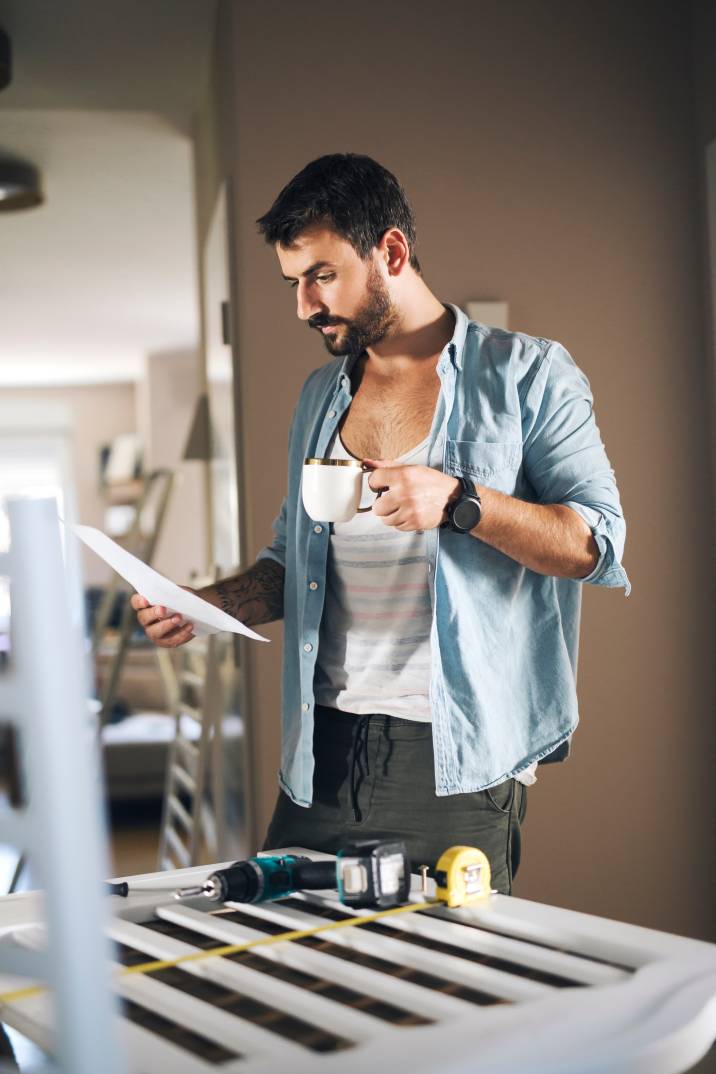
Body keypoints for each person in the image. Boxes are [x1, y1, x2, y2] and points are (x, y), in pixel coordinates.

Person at [132, 153, 629, 895]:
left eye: (321, 276)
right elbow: (290, 558)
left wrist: (463, 502)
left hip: (452, 762)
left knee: (439, 999)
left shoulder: (528, 375)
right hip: (319, 751)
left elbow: (597, 543)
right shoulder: (318, 397)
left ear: (390, 252)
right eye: (293, 282)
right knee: (293, 981)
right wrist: (207, 605)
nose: (303, 305)